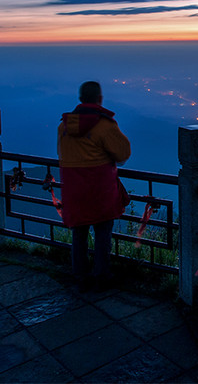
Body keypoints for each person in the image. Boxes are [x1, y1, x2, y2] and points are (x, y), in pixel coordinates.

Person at [57, 80, 131, 290]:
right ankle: (101, 275)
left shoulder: (63, 127)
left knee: (78, 232)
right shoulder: (105, 125)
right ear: (99, 99)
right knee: (103, 231)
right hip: (100, 188)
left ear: (80, 99)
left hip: (73, 189)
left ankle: (79, 274)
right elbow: (123, 153)